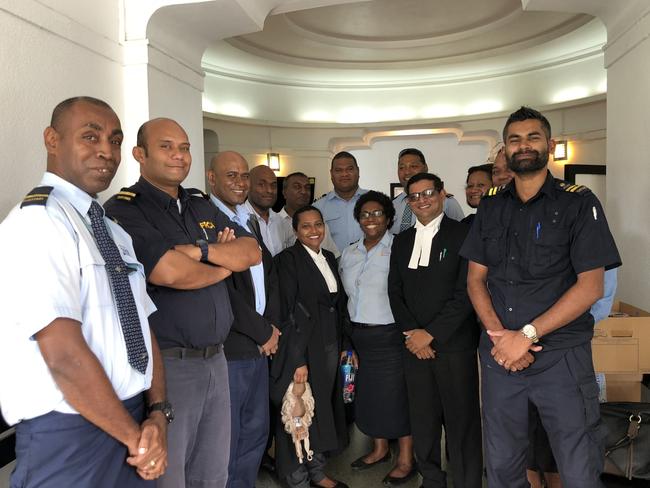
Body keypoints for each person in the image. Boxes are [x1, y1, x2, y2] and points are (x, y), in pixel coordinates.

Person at [0, 96, 167, 487]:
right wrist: (136, 440)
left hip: (131, 422)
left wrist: (158, 412)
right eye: (90, 137)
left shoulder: (110, 229)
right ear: (52, 140)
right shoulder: (37, 222)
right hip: (69, 435)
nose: (106, 151)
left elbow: (142, 325)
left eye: (114, 139)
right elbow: (62, 354)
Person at [460, 106, 621, 488]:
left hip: (561, 356)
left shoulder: (579, 203)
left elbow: (591, 287)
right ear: (506, 150)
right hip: (500, 357)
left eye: (533, 137)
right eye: (515, 139)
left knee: (578, 462)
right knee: (501, 463)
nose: (524, 145)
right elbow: (475, 280)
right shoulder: (492, 205)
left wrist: (526, 336)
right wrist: (502, 338)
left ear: (549, 145)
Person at [104, 118, 261, 488]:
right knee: (170, 477)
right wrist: (223, 262)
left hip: (217, 361)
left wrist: (201, 251)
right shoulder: (126, 208)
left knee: (213, 474)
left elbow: (251, 251)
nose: (178, 155)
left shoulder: (198, 204)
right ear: (139, 154)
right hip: (171, 366)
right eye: (167, 146)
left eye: (185, 147)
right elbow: (170, 272)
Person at [388, 173, 482, 488]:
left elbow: (466, 291)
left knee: (461, 421)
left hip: (455, 345)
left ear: (442, 194)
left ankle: (467, 481)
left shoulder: (463, 234)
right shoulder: (400, 241)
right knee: (423, 420)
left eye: (427, 193)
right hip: (414, 346)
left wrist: (431, 334)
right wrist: (413, 333)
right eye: (413, 196)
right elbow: (394, 292)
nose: (421, 200)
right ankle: (431, 478)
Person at [206, 151, 282, 488]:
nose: (240, 182)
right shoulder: (204, 219)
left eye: (243, 175)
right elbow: (221, 289)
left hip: (259, 345)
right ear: (212, 179)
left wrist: (271, 329)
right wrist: (262, 331)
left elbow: (267, 279)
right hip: (233, 345)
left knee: (255, 433)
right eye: (230, 175)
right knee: (230, 437)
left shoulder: (246, 219)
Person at [338, 191, 415, 486]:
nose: (371, 219)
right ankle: (380, 449)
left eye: (377, 213)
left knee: (398, 398)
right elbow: (345, 297)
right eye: (365, 214)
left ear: (388, 218)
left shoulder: (400, 248)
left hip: (391, 335)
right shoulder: (349, 252)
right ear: (358, 219)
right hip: (360, 337)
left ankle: (407, 458)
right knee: (368, 397)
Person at [270, 206, 350, 488]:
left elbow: (337, 306)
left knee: (319, 411)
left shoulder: (328, 257)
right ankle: (296, 477)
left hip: (329, 346)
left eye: (318, 224)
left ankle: (316, 471)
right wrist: (296, 360)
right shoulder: (287, 261)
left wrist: (343, 345)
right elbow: (286, 313)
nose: (314, 230)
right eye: (306, 226)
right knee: (296, 409)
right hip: (302, 349)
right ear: (295, 231)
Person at [390, 148, 464, 234]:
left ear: (425, 168)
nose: (407, 172)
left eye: (413, 166)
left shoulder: (445, 201)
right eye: (401, 167)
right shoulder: (392, 205)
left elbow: (461, 234)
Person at [313, 151, 368, 251]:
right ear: (331, 174)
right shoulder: (318, 208)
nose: (344, 174)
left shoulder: (374, 201)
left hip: (371, 264)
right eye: (338, 170)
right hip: (333, 265)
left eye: (350, 169)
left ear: (358, 171)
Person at [277, 172, 339, 256]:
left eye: (307, 188)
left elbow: (333, 255)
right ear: (284, 193)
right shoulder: (274, 223)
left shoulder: (320, 223)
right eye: (297, 187)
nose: (303, 191)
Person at [245, 164, 285, 256]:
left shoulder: (281, 222)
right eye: (261, 185)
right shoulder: (237, 220)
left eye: (273, 185)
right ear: (248, 186)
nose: (270, 190)